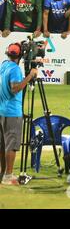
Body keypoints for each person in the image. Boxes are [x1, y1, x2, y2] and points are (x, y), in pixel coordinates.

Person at [0, 44, 38, 185]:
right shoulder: (15, 69)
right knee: (11, 145)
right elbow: (15, 88)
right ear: (20, 55)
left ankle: (3, 172)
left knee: (3, 144)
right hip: (12, 112)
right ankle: (8, 176)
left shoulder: (4, 64)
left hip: (2, 110)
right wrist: (30, 76)